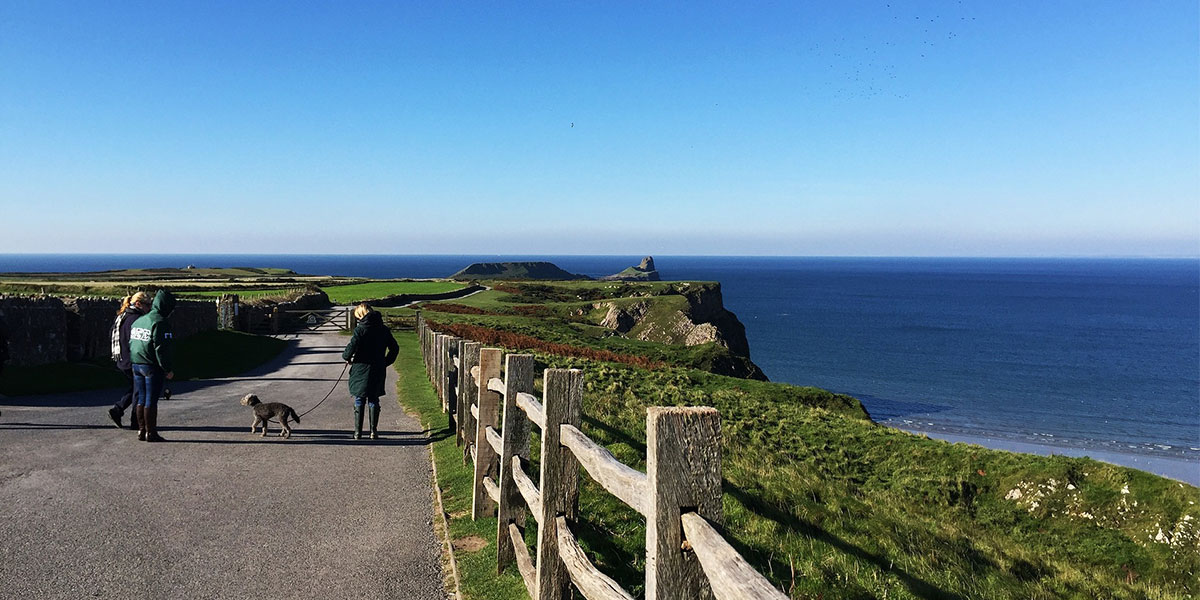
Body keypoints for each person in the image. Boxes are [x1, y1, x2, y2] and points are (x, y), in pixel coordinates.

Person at [341, 304, 398, 440]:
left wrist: (347, 357)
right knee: (373, 398)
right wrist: (385, 362)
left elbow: (351, 347)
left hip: (361, 367)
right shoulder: (384, 329)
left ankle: (357, 433)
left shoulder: (360, 330)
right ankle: (373, 431)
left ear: (361, 315)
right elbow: (394, 348)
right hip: (377, 368)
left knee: (359, 398)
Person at [128, 290, 176, 442]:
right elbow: (161, 349)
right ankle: (151, 432)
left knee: (141, 398)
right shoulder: (160, 322)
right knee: (151, 400)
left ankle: (141, 430)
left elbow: (132, 343)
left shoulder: (140, 320)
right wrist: (167, 369)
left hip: (136, 363)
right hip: (151, 366)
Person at [107, 292, 150, 429]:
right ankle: (135, 421)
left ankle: (118, 410)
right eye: (147, 305)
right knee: (139, 390)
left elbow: (110, 334)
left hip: (121, 358)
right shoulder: (137, 319)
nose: (149, 308)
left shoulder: (121, 316)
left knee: (135, 387)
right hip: (132, 359)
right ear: (138, 304)